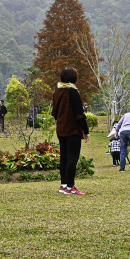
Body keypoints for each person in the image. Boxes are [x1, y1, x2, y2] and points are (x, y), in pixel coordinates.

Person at [52, 67, 90, 195]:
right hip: (72, 130)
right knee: (72, 158)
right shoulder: (72, 91)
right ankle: (70, 186)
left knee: (64, 158)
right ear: (73, 78)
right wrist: (85, 130)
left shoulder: (57, 91)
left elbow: (54, 113)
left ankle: (63, 185)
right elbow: (79, 114)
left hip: (61, 129)